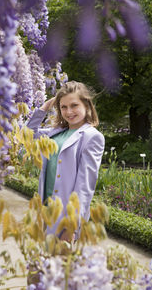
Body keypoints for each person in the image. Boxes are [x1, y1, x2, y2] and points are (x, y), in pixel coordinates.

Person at [27, 81, 105, 241]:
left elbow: (85, 186)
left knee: (61, 264)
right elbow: (26, 133)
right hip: (45, 211)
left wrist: (72, 225)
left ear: (87, 106)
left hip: (65, 216)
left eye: (74, 105)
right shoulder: (54, 133)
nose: (69, 111)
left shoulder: (92, 137)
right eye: (63, 107)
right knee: (44, 263)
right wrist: (46, 106)